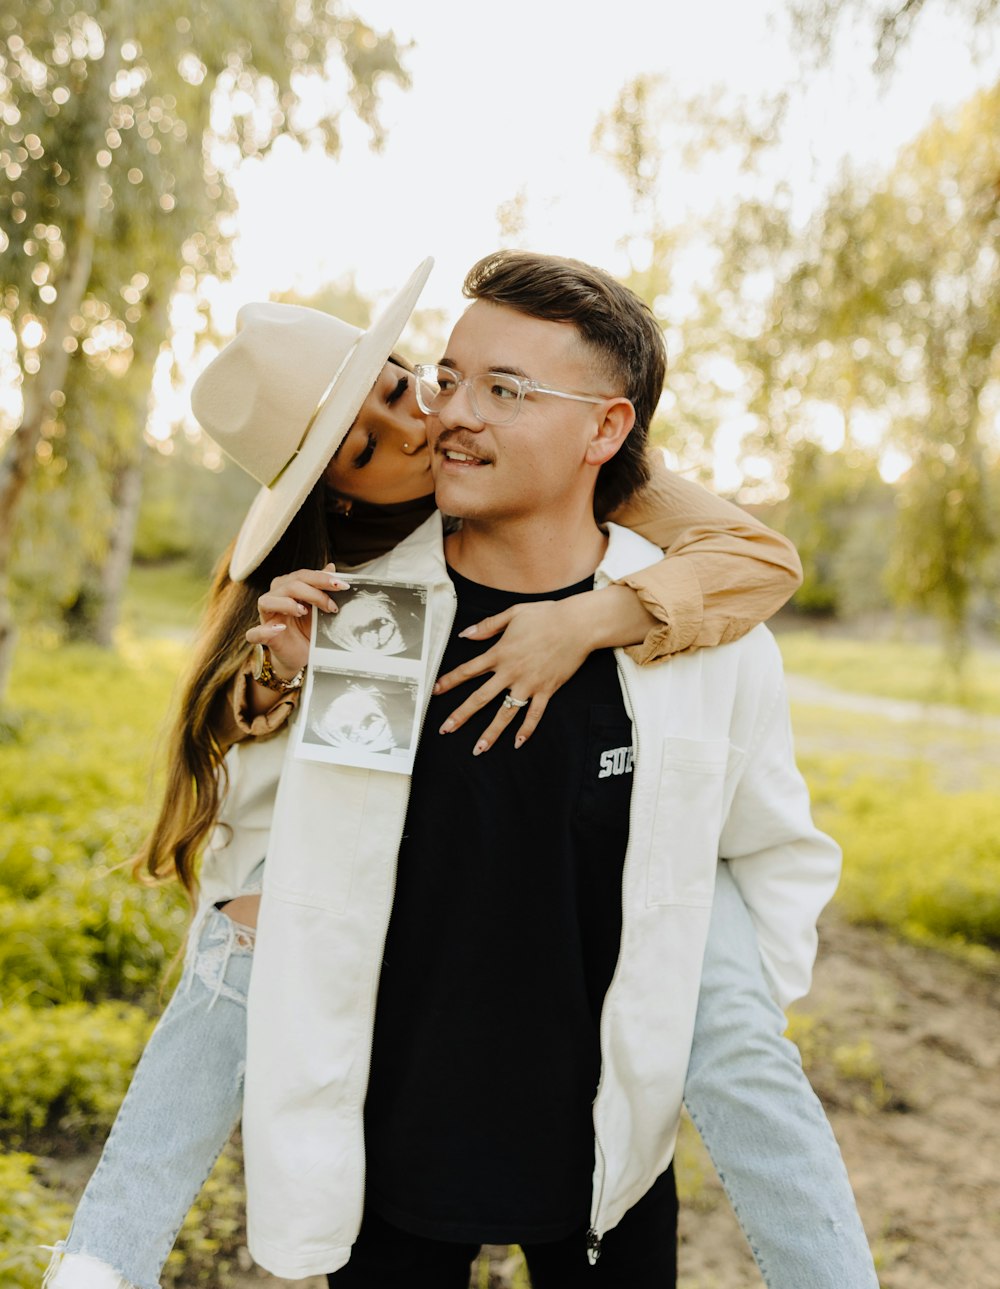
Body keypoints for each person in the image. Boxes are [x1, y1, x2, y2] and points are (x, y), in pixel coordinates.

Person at [43, 258, 817, 1289]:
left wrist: (588, 617)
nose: (422, 426)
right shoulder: (355, 614)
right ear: (335, 490)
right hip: (404, 1115)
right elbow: (300, 819)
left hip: (597, 1121)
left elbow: (761, 560)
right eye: (364, 445)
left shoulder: (614, 494)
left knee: (736, 1028)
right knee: (245, 927)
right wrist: (276, 682)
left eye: (408, 386)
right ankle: (104, 1253)